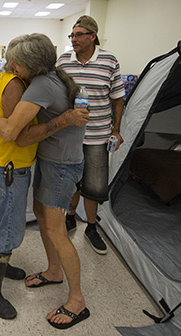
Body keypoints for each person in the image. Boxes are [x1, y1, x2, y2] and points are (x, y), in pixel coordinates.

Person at [0, 33, 90, 329]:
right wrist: (3, 78)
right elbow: (10, 75)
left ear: (32, 64)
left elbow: (12, 134)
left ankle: (77, 300)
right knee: (42, 218)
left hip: (60, 165)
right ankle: (54, 270)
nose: (11, 66)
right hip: (48, 160)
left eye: (16, 64)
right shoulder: (49, 75)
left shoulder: (42, 83)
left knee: (56, 230)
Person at [57, 15, 125, 255]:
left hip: (97, 136)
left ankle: (92, 227)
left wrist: (116, 130)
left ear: (93, 36)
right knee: (73, 180)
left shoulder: (108, 61)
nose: (73, 39)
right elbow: (50, 87)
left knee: (94, 185)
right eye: (71, 35)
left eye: (78, 35)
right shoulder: (64, 60)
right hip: (70, 135)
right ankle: (70, 216)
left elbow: (117, 100)